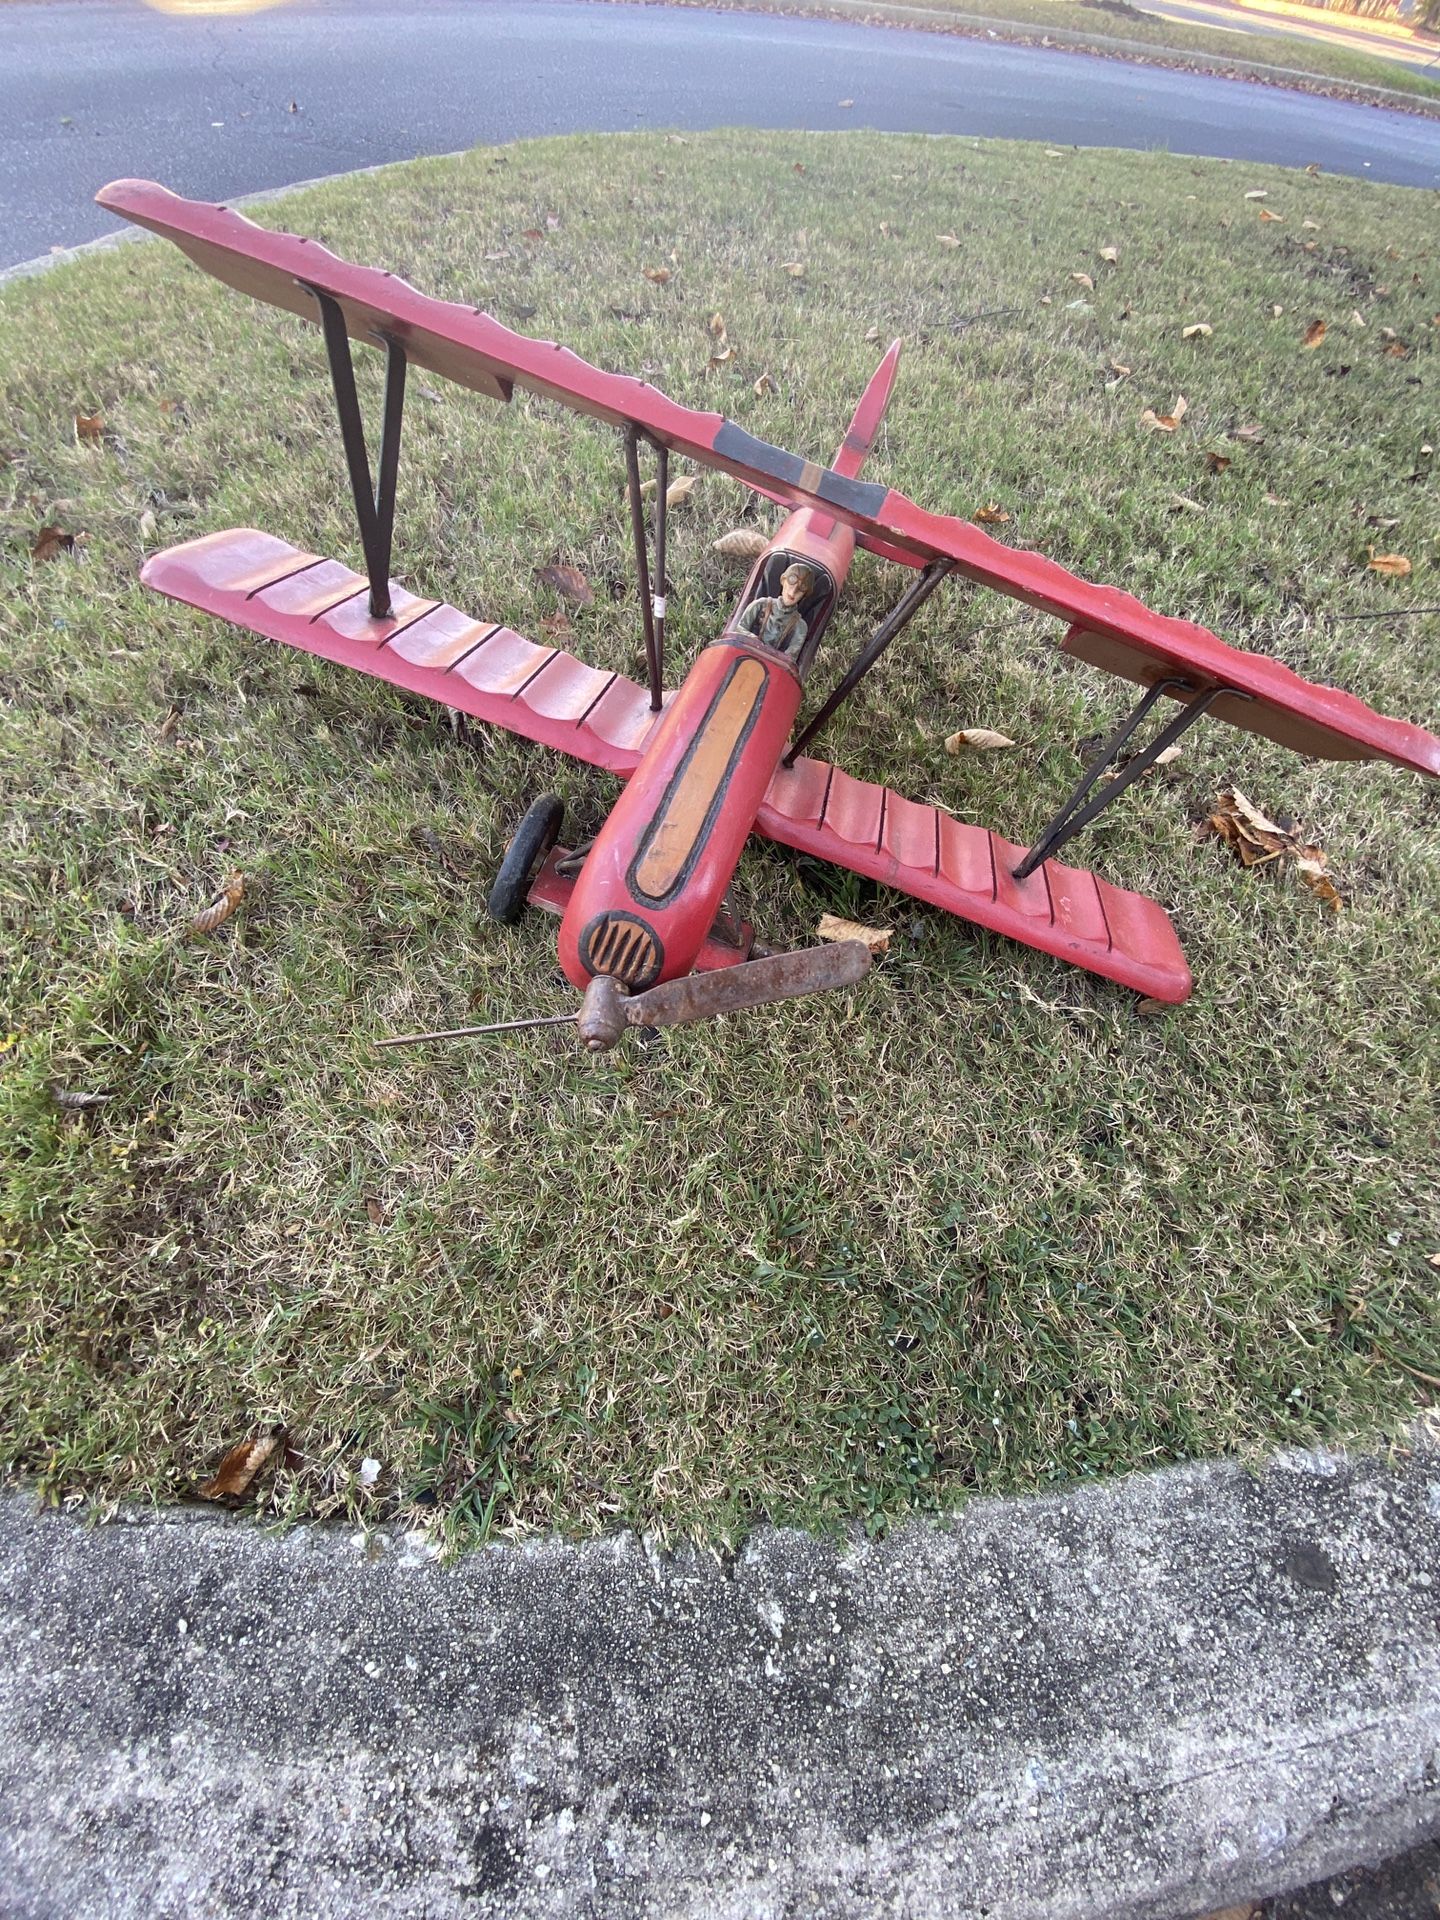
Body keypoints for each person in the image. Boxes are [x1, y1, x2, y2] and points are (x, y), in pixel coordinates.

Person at [735, 562, 815, 660]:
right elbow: (739, 629)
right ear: (783, 580)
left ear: (805, 593)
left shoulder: (800, 626)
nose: (793, 591)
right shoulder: (760, 605)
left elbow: (790, 659)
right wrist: (752, 639)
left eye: (801, 588)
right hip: (745, 655)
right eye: (791, 581)